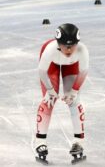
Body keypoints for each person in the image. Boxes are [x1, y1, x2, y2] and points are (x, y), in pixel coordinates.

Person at [34, 23, 89, 164]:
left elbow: (83, 72)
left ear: (78, 43)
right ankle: (40, 142)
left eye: (72, 45)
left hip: (72, 65)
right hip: (51, 65)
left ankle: (79, 141)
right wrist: (50, 91)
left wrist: (74, 91)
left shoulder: (82, 51)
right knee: (49, 100)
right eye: (65, 45)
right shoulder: (50, 49)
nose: (69, 49)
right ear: (58, 43)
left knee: (74, 100)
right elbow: (42, 72)